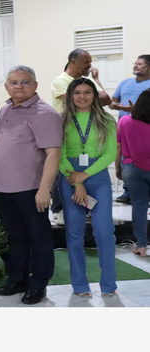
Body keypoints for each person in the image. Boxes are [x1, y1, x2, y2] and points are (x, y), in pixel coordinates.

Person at [0, 66, 63, 305]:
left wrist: (44, 190)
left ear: (36, 85)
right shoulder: (6, 109)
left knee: (39, 238)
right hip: (3, 187)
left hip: (30, 188)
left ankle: (38, 284)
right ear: (7, 86)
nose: (18, 86)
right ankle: (17, 280)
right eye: (13, 82)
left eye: (25, 82)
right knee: (15, 237)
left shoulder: (45, 113)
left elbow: (53, 154)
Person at [59, 78, 117, 299]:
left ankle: (109, 283)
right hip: (70, 176)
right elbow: (59, 155)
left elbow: (110, 154)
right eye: (77, 93)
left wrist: (85, 175)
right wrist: (77, 182)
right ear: (69, 95)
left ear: (94, 95)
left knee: (104, 232)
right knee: (74, 234)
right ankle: (80, 285)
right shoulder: (61, 120)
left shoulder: (107, 120)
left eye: (87, 92)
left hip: (97, 176)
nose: (82, 97)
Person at [50, 49, 112, 224]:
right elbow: (75, 102)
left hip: (89, 130)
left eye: (87, 92)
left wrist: (97, 80)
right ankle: (58, 209)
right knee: (62, 171)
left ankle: (86, 207)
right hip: (67, 130)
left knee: (87, 175)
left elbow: (106, 99)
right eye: (86, 62)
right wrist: (93, 94)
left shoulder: (87, 80)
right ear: (73, 61)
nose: (89, 66)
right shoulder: (60, 81)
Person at [110, 55, 150, 204]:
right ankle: (128, 190)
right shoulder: (125, 83)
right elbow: (113, 100)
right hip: (126, 129)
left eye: (140, 64)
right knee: (125, 157)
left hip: (145, 128)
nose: (136, 66)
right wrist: (114, 105)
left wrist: (136, 109)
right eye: (135, 63)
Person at [116, 88, 150, 257]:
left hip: (132, 168)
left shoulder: (124, 121)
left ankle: (141, 246)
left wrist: (117, 167)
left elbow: (118, 146)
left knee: (139, 206)